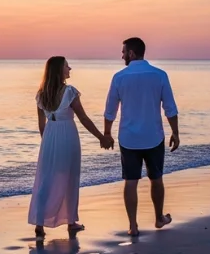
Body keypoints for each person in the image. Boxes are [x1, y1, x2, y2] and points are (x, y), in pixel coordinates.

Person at [28, 56, 111, 238]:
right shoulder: (69, 92)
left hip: (50, 138)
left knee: (46, 179)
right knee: (70, 176)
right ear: (59, 70)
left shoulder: (41, 95)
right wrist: (101, 137)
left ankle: (39, 224)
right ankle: (71, 222)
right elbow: (83, 118)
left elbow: (42, 125)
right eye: (67, 66)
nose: (70, 68)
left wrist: (48, 144)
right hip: (67, 137)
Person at [103, 37, 179, 237]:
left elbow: (110, 110)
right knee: (156, 179)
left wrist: (107, 133)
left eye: (123, 52)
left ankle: (133, 226)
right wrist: (176, 133)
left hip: (129, 138)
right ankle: (159, 218)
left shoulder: (119, 77)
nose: (121, 55)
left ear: (132, 53)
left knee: (130, 181)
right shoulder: (159, 75)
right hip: (153, 136)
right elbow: (170, 108)